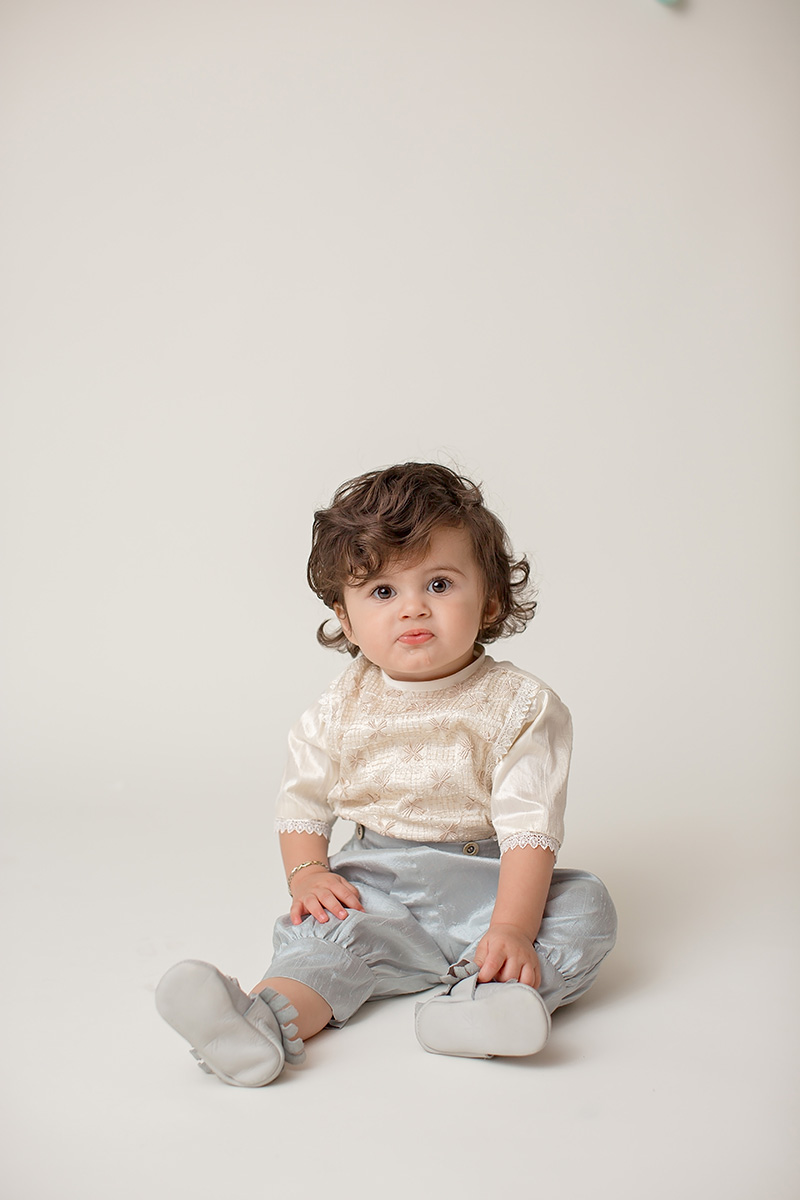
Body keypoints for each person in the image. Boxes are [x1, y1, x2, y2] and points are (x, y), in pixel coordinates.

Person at [156, 462, 617, 1086]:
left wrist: (511, 926)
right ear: (345, 620)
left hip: (494, 882)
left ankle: (492, 1002)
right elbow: (303, 802)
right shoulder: (339, 709)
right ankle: (260, 1020)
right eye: (382, 592)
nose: (413, 609)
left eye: (441, 583)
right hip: (380, 882)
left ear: (490, 600)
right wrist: (308, 871)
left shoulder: (520, 705)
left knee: (585, 908)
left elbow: (529, 827)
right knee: (327, 937)